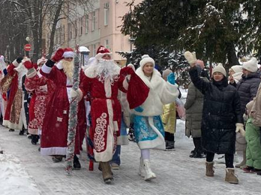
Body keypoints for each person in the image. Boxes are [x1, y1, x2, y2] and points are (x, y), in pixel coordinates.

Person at [185, 55, 241, 184]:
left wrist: (239, 122)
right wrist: (193, 68)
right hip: (210, 122)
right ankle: (209, 166)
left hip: (227, 124)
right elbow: (196, 80)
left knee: (228, 148)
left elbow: (238, 108)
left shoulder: (232, 90)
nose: (217, 75)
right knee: (210, 146)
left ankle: (230, 172)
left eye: (219, 74)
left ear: (224, 75)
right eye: (215, 73)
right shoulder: (208, 87)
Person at [121, 55, 179, 180]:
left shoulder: (158, 80)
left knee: (149, 142)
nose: (149, 68)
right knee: (144, 142)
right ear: (142, 67)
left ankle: (142, 166)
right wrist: (134, 105)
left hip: (154, 114)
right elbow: (128, 92)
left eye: (151, 65)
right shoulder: (136, 79)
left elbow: (166, 97)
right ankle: (147, 168)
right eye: (146, 66)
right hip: (140, 115)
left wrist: (171, 85)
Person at [74, 48, 123, 184]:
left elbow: (124, 87)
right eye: (104, 56)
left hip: (113, 107)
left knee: (112, 136)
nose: (107, 59)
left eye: (109, 56)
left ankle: (104, 161)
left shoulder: (116, 73)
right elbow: (83, 88)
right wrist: (77, 94)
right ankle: (106, 167)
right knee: (101, 135)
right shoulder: (91, 73)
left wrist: (129, 76)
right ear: (99, 59)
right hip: (99, 106)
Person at [40, 48, 79, 167]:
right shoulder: (57, 69)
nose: (69, 60)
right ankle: (60, 151)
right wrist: (52, 60)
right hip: (60, 99)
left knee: (74, 126)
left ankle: (73, 153)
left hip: (75, 98)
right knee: (60, 126)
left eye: (71, 58)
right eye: (67, 58)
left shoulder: (78, 69)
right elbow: (44, 72)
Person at [236, 58, 261, 172]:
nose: (243, 71)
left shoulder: (254, 82)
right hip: (243, 112)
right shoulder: (244, 80)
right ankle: (248, 161)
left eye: (245, 69)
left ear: (249, 70)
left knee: (252, 140)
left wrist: (249, 110)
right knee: (246, 138)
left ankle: (256, 163)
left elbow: (255, 98)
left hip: (249, 113)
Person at [24, 57, 52, 145]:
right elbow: (29, 86)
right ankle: (35, 136)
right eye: (41, 64)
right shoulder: (36, 75)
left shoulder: (50, 74)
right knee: (35, 117)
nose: (42, 66)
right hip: (37, 99)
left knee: (48, 120)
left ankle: (46, 138)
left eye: (44, 64)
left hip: (49, 99)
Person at [185, 60, 206, 158]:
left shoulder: (194, 84)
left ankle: (198, 150)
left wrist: (186, 106)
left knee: (195, 131)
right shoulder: (206, 81)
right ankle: (202, 149)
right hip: (203, 108)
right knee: (201, 130)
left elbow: (190, 98)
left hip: (194, 110)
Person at [2, 57, 26, 133]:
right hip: (16, 91)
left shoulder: (28, 71)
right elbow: (8, 70)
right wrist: (15, 62)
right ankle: (13, 125)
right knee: (14, 108)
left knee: (23, 110)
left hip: (25, 92)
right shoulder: (15, 72)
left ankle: (23, 126)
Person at [161, 69, 178, 150]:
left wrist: (164, 118)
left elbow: (168, 104)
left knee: (167, 130)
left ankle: (169, 143)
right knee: (169, 130)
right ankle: (169, 142)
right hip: (170, 113)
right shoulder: (173, 86)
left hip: (167, 113)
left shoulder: (167, 87)